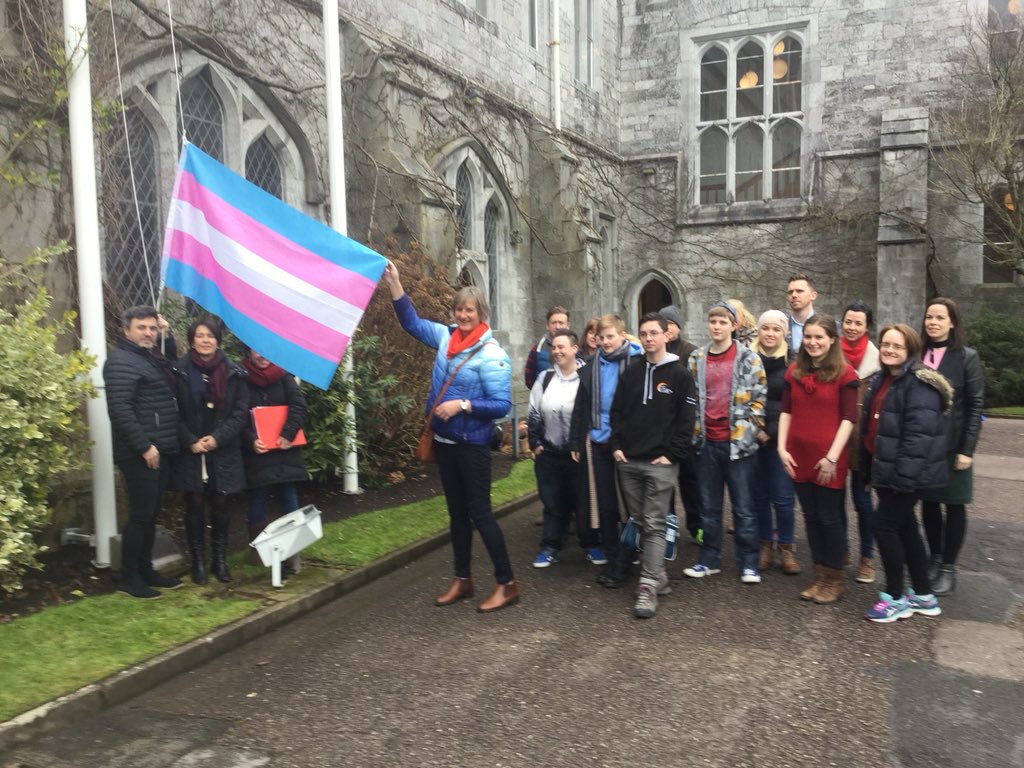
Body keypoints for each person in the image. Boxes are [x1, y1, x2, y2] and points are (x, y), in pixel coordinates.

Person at [382, 261, 519, 613]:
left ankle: (507, 583)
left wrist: (463, 404)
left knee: (481, 515)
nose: (462, 314)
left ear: (481, 313)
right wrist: (396, 283)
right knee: (457, 515)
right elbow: (411, 324)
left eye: (469, 310)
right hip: (445, 443)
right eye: (459, 309)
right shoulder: (445, 337)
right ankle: (463, 579)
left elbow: (502, 405)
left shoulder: (492, 355)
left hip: (472, 445)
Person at [860, 324, 951, 623]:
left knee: (884, 528)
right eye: (885, 344)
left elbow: (918, 438)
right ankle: (924, 595)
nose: (889, 350)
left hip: (906, 475)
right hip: (888, 470)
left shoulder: (918, 384)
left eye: (896, 346)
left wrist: (902, 478)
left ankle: (896, 597)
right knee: (906, 528)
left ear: (910, 349)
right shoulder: (885, 379)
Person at [610, 313, 697, 618]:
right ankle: (658, 575)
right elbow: (617, 411)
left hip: (660, 463)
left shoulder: (681, 375)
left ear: (666, 335)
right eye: (643, 333)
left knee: (656, 522)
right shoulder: (630, 372)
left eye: (653, 333)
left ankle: (647, 586)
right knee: (641, 520)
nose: (648, 338)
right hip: (629, 461)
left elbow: (687, 421)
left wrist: (672, 454)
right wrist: (617, 447)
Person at [103, 305, 184, 599]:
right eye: (142, 327)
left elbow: (173, 367)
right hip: (140, 452)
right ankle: (129, 578)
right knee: (141, 515)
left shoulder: (148, 357)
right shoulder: (121, 362)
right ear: (126, 330)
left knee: (151, 514)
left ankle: (146, 569)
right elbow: (120, 410)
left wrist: (168, 334)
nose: (148, 332)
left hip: (159, 448)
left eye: (152, 327)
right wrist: (144, 446)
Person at [683, 301, 767, 584]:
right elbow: (691, 398)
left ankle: (749, 563)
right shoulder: (696, 359)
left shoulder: (749, 358)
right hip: (707, 443)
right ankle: (709, 559)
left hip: (738, 445)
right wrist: (695, 432)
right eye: (713, 322)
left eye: (723, 322)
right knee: (709, 507)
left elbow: (759, 398)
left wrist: (749, 431)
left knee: (744, 507)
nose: (717, 327)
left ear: (734, 326)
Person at [777, 314, 858, 604]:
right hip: (798, 455)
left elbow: (849, 419)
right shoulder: (794, 372)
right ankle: (819, 575)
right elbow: (786, 411)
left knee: (829, 518)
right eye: (808, 337)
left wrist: (832, 457)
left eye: (819, 337)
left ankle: (834, 578)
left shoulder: (846, 375)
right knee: (810, 518)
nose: (812, 342)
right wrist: (781, 448)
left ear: (832, 340)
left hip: (828, 459)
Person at [171, 317, 249, 585]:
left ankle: (219, 559)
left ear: (218, 340)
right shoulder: (178, 371)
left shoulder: (234, 372)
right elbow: (173, 411)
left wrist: (217, 439)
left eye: (210, 336)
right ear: (192, 339)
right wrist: (190, 440)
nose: (205, 340)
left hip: (222, 449)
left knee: (221, 503)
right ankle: (198, 563)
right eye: (200, 335)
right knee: (193, 504)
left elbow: (240, 414)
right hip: (191, 448)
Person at [570, 314, 643, 582]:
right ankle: (613, 559)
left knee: (630, 505)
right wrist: (576, 440)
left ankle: (630, 557)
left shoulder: (637, 362)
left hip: (626, 444)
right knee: (606, 505)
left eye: (611, 336)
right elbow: (582, 404)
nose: (605, 342)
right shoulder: (591, 365)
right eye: (601, 337)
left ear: (623, 335)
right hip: (599, 441)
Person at [919, 298, 984, 595]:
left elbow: (974, 405)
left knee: (954, 505)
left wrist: (966, 450)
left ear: (952, 322)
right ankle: (935, 558)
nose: (933, 322)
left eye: (939, 318)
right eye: (929, 317)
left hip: (953, 446)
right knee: (930, 505)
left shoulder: (966, 357)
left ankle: (948, 568)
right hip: (924, 446)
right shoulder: (919, 353)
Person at [241, 347, 308, 566]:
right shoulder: (240, 377)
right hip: (258, 452)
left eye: (266, 350)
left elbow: (299, 406)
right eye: (256, 351)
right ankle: (259, 553)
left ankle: (292, 552)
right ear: (248, 353)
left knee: (289, 495)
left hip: (285, 449)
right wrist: (250, 439)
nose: (262, 355)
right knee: (257, 498)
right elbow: (236, 414)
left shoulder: (285, 375)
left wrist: (287, 434)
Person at [528, 330, 585, 567]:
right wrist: (536, 444)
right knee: (552, 503)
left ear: (575, 349)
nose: (557, 351)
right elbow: (533, 411)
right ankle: (550, 547)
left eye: (562, 347)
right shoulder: (545, 377)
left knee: (581, 502)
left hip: (577, 454)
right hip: (549, 454)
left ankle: (590, 545)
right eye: (554, 347)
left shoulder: (586, 376)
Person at [750, 310, 800, 575]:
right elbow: (742, 397)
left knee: (782, 497)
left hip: (782, 438)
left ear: (785, 333)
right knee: (759, 496)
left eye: (776, 329)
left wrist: (770, 430)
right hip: (753, 438)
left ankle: (787, 547)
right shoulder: (747, 358)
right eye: (765, 328)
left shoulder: (794, 363)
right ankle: (765, 544)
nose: (769, 333)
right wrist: (755, 429)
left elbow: (792, 403)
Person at [839, 301, 882, 584]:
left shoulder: (879, 362)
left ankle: (867, 557)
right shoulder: (830, 354)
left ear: (867, 327)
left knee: (863, 503)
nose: (852, 327)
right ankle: (841, 549)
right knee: (833, 501)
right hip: (834, 440)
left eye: (858, 323)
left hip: (864, 444)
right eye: (848, 322)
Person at [659, 304, 701, 539]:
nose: (667, 328)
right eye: (663, 324)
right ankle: (668, 528)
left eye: (671, 324)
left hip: (685, 429)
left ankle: (697, 527)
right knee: (665, 485)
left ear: (679, 327)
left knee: (690, 482)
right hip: (663, 430)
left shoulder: (690, 351)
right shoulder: (655, 352)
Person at [524, 306, 570, 389]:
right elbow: (529, 378)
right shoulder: (537, 349)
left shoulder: (575, 348)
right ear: (547, 325)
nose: (557, 327)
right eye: (554, 323)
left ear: (567, 325)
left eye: (561, 323)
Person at [786, 274, 818, 355]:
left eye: (799, 291)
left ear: (813, 295)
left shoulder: (829, 326)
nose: (794, 295)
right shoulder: (782, 326)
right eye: (790, 292)